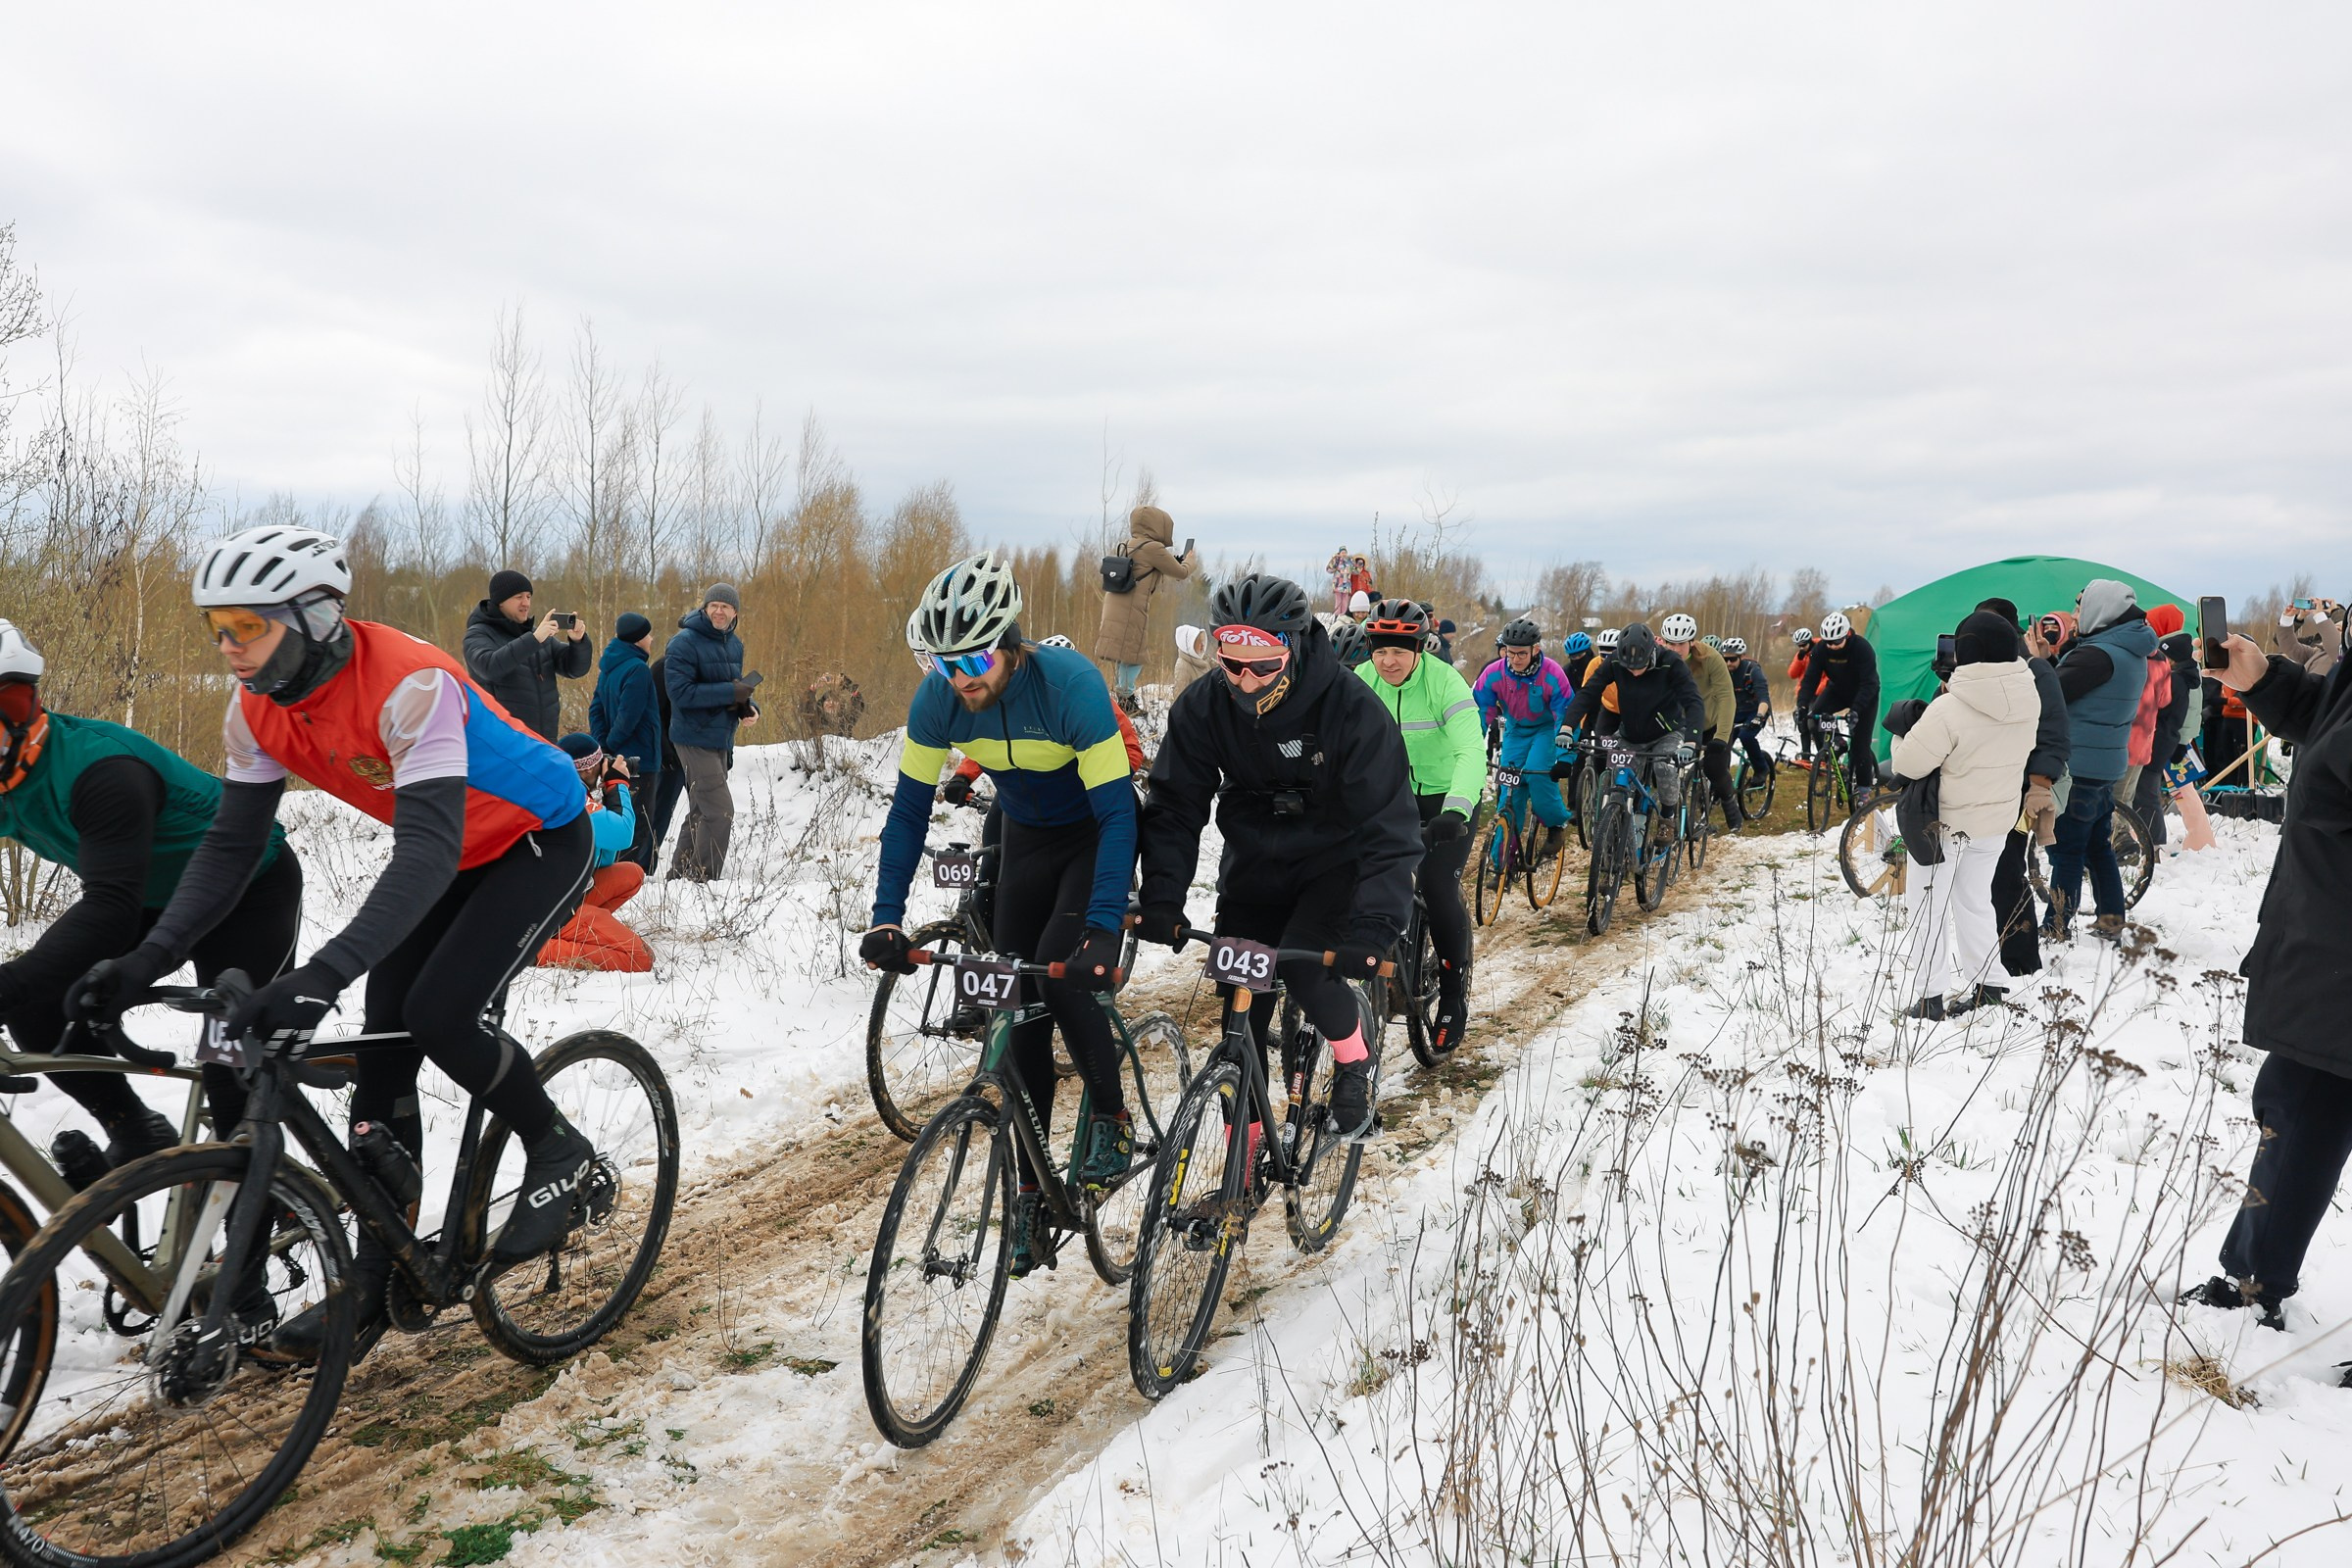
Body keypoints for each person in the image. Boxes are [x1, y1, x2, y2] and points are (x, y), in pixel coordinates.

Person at [69, 525, 600, 1361]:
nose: (227, 646)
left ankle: (556, 1146)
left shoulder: (410, 685)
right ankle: (381, 1279)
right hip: (454, 853)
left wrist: (322, 974)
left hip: (539, 837)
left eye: (247, 626)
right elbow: (230, 848)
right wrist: (147, 958)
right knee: (386, 1045)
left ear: (313, 617)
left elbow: (423, 851)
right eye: (218, 627)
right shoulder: (255, 709)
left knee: (439, 1014)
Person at [862, 555, 1139, 1278]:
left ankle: (1111, 1116)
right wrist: (888, 917)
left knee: (1063, 977)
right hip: (1024, 841)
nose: (962, 676)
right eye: (945, 662)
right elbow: (908, 813)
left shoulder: (1070, 685)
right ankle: (1031, 1189)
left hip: (1090, 836)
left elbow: (1117, 814)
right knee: (1010, 1006)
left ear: (1011, 643)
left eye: (977, 658)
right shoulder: (938, 701)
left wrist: (1103, 926)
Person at [0, 620, 303, 1187]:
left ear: (25, 707)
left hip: (247, 892)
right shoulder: (9, 777)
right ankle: (136, 1128)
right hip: (149, 896)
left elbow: (111, 907)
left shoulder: (100, 770)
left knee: (230, 1075)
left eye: (7, 704)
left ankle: (263, 1225)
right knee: (36, 1006)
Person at [1138, 574, 1418, 1148]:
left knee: (1307, 971)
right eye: (1231, 664)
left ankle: (1355, 1061)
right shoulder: (1205, 705)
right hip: (1255, 863)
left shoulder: (1351, 708)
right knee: (1239, 1006)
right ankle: (1245, 1154)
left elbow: (1388, 825)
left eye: (1263, 665)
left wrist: (1374, 925)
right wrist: (1162, 896)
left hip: (1333, 861)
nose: (1245, 681)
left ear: (1292, 648)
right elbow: (1174, 805)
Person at [2182, 623, 2352, 1338]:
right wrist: (2267, 682)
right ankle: (2254, 1278)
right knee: (2301, 1104)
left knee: (2303, 1103)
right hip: (2328, 948)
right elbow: (2334, 716)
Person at [1884, 612, 2040, 1020]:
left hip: (1944, 826)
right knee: (1976, 902)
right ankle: (1990, 984)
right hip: (1996, 820)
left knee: (1927, 909)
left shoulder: (1948, 708)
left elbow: (1908, 765)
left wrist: (1902, 731)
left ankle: (1929, 996)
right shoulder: (2029, 698)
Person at [1357, 599, 1482, 1053]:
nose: (1388, 661)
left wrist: (1457, 809)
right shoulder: (1361, 681)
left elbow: (1471, 750)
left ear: (1418, 649)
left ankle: (1452, 994)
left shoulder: (1444, 682)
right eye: (1380, 651)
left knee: (1437, 886)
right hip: (1393, 797)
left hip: (1446, 798)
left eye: (1399, 652)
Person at [2042, 580, 2155, 943]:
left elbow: (2049, 693)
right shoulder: (2127, 649)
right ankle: (2111, 922)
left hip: (2077, 766)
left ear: (2101, 610)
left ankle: (2056, 926)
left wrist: (2037, 663)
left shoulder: (2097, 656)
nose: (2075, 616)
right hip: (2103, 764)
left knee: (2067, 850)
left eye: (2080, 607)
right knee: (2097, 848)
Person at [1971, 597, 2070, 981]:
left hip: (2018, 789)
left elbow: (2054, 731)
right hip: (1976, 787)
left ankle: (2020, 962)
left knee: (2005, 871)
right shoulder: (1971, 669)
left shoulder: (2034, 670)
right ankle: (1990, 957)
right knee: (1981, 876)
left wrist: (2040, 784)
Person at [1555, 623, 1704, 825]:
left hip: (1667, 732)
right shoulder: (1615, 660)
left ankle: (1667, 817)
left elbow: (1693, 702)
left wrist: (1691, 742)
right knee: (1619, 782)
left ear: (1651, 654)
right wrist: (1567, 728)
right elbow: (1588, 693)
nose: (1634, 673)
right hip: (1630, 734)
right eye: (1629, 668)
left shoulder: (1671, 662)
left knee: (1663, 768)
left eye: (1640, 667)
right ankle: (1616, 827)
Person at [664, 585, 760, 883]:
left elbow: (734, 687)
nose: (719, 611)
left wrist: (748, 706)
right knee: (720, 812)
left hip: (721, 737)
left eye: (725, 606)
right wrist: (730, 692)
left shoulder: (734, 644)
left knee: (701, 810)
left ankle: (678, 878)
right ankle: (701, 879)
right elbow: (680, 694)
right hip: (693, 738)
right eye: (713, 605)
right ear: (704, 609)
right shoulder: (683, 643)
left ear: (735, 612)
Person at [537, 737, 653, 973]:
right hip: (550, 910)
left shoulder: (556, 788)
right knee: (640, 958)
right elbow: (623, 836)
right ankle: (539, 950)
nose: (604, 769)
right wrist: (617, 785)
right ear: (589, 769)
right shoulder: (572, 801)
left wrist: (606, 798)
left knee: (632, 874)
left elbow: (605, 861)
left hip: (561, 894)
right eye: (602, 764)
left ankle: (581, 930)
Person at [1471, 619, 1576, 861]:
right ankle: (1502, 861)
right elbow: (1481, 712)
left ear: (1535, 649)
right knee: (1509, 792)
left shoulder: (1552, 673)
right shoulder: (1493, 673)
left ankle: (1555, 824)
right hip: (1515, 731)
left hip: (1546, 730)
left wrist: (1565, 756)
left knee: (1536, 773)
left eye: (1521, 654)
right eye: (1510, 652)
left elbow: (1565, 716)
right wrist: (1472, 747)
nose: (1515, 659)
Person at [462, 569, 592, 742]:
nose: (526, 603)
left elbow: (574, 669)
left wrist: (578, 642)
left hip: (544, 740)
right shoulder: (478, 634)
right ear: (500, 601)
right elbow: (489, 667)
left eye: (529, 597)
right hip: (502, 741)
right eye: (519, 597)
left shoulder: (536, 635)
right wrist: (534, 640)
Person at [1094, 505, 1200, 710]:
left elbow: (1150, 566)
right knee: (1134, 654)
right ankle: (1125, 699)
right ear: (1159, 526)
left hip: (1115, 601)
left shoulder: (1128, 544)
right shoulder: (1153, 548)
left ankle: (1124, 696)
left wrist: (1173, 561)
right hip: (1131, 607)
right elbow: (1181, 573)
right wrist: (1191, 562)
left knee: (1125, 653)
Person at [589, 612, 663, 872]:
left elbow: (596, 709)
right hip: (640, 758)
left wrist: (602, 746)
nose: (651, 639)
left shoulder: (609, 666)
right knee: (638, 823)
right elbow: (630, 715)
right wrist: (612, 744)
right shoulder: (638, 669)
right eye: (648, 634)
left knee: (619, 814)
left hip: (614, 760)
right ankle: (626, 880)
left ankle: (614, 874)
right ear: (638, 639)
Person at [1659, 613, 1743, 830]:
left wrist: (1721, 737)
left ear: (1692, 642)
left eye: (1681, 644)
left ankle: (1729, 804)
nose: (1675, 649)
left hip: (1710, 723)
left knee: (1715, 767)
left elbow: (1726, 697)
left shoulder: (1711, 658)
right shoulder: (1660, 659)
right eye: (1670, 643)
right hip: (1679, 724)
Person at [2120, 604, 2192, 850]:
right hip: (2158, 740)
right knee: (2143, 792)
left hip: (2155, 741)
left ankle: (2154, 841)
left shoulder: (2172, 674)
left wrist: (2182, 741)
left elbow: (2170, 707)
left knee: (2145, 793)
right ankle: (2149, 840)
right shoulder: (2174, 670)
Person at [1793, 612, 1881, 793]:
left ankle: (1864, 790)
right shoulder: (1820, 649)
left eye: (1836, 642)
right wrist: (1802, 705)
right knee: (1814, 720)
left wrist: (1856, 710)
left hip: (1865, 694)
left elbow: (1869, 683)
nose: (1832, 646)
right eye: (1828, 642)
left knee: (1860, 746)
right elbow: (1810, 680)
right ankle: (1834, 747)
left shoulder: (1862, 648)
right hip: (1838, 690)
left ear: (1846, 635)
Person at [1723, 637, 1775, 789]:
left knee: (1746, 735)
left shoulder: (1753, 671)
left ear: (1742, 656)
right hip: (1737, 711)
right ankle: (1722, 778)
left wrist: (1759, 717)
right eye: (1725, 659)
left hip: (1756, 710)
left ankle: (1761, 769)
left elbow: (1764, 698)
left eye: (1732, 659)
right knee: (1722, 743)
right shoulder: (1723, 671)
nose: (1728, 663)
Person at [1173, 624, 1214, 695]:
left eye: (1202, 641)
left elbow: (1219, 668)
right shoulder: (1182, 667)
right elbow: (1180, 696)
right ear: (1190, 645)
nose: (1202, 645)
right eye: (1199, 642)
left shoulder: (1203, 658)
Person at [1325, 548, 1354, 617]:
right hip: (1338, 584)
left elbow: (1355, 570)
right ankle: (1337, 614)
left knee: (1345, 600)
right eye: (1342, 552)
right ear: (1340, 553)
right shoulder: (1336, 560)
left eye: (1345, 552)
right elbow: (1328, 569)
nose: (1344, 554)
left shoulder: (1349, 561)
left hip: (1346, 584)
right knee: (1338, 600)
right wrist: (1334, 563)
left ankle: (1343, 614)